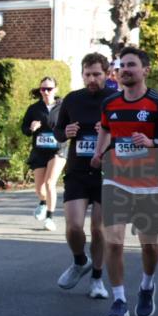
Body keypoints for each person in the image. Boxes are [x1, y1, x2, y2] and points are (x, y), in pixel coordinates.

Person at [90, 46, 158, 316]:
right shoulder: (110, 104)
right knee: (113, 242)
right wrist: (98, 153)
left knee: (149, 246)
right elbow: (107, 130)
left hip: (150, 182)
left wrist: (153, 143)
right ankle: (120, 300)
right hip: (115, 180)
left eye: (131, 65)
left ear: (145, 70)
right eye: (122, 65)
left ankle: (147, 286)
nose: (125, 69)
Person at [53, 52, 112, 299]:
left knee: (99, 229)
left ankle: (97, 279)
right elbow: (57, 132)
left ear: (107, 75)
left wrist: (111, 131)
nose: (92, 79)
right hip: (77, 171)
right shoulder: (72, 99)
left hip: (107, 172)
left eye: (97, 74)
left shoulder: (115, 99)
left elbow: (130, 134)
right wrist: (65, 131)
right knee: (74, 226)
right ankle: (80, 261)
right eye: (87, 74)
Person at [23, 77, 64, 231]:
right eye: (43, 89)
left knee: (49, 183)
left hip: (58, 150)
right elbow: (24, 129)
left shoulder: (63, 107)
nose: (46, 92)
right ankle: (42, 202)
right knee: (40, 189)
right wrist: (31, 128)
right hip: (40, 151)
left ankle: (50, 218)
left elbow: (72, 124)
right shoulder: (34, 109)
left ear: (56, 90)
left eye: (49, 89)